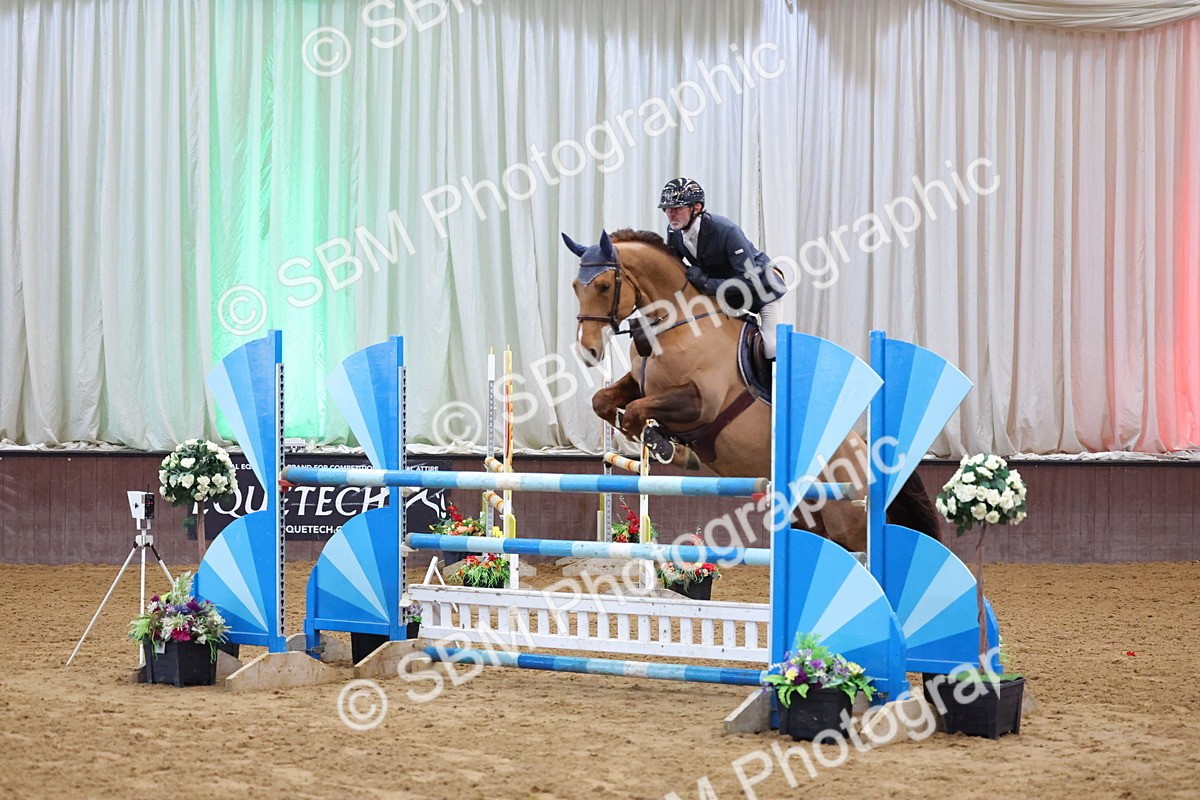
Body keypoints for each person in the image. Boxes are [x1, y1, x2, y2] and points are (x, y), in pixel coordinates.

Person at [658, 177, 788, 358]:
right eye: (668, 209)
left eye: (677, 209)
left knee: (772, 346)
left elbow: (750, 280)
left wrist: (706, 283)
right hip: (727, 295)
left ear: (696, 208)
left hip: (762, 291)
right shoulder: (674, 232)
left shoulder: (725, 230)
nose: (671, 214)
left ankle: (771, 386)